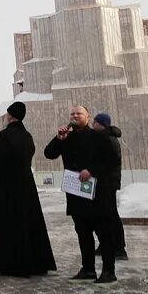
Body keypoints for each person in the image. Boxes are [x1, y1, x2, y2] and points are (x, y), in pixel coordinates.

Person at [44, 105, 119, 284]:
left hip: (97, 192)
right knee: (82, 232)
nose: (75, 116)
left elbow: (112, 160)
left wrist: (92, 171)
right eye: (72, 113)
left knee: (103, 232)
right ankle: (88, 269)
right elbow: (49, 154)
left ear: (87, 117)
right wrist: (58, 139)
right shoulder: (67, 138)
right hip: (76, 193)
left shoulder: (98, 136)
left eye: (79, 113)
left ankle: (109, 271)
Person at [0, 102, 56, 277]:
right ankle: (35, 261)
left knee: (9, 223)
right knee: (28, 221)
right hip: (26, 185)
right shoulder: (27, 136)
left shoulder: (5, 135)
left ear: (10, 116)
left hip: (6, 187)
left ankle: (11, 262)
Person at [92, 112, 128, 260]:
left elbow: (110, 162)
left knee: (111, 215)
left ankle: (119, 248)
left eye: (94, 122)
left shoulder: (108, 139)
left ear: (101, 124)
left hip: (108, 183)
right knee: (103, 215)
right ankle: (106, 244)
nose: (92, 124)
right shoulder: (104, 137)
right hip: (104, 182)